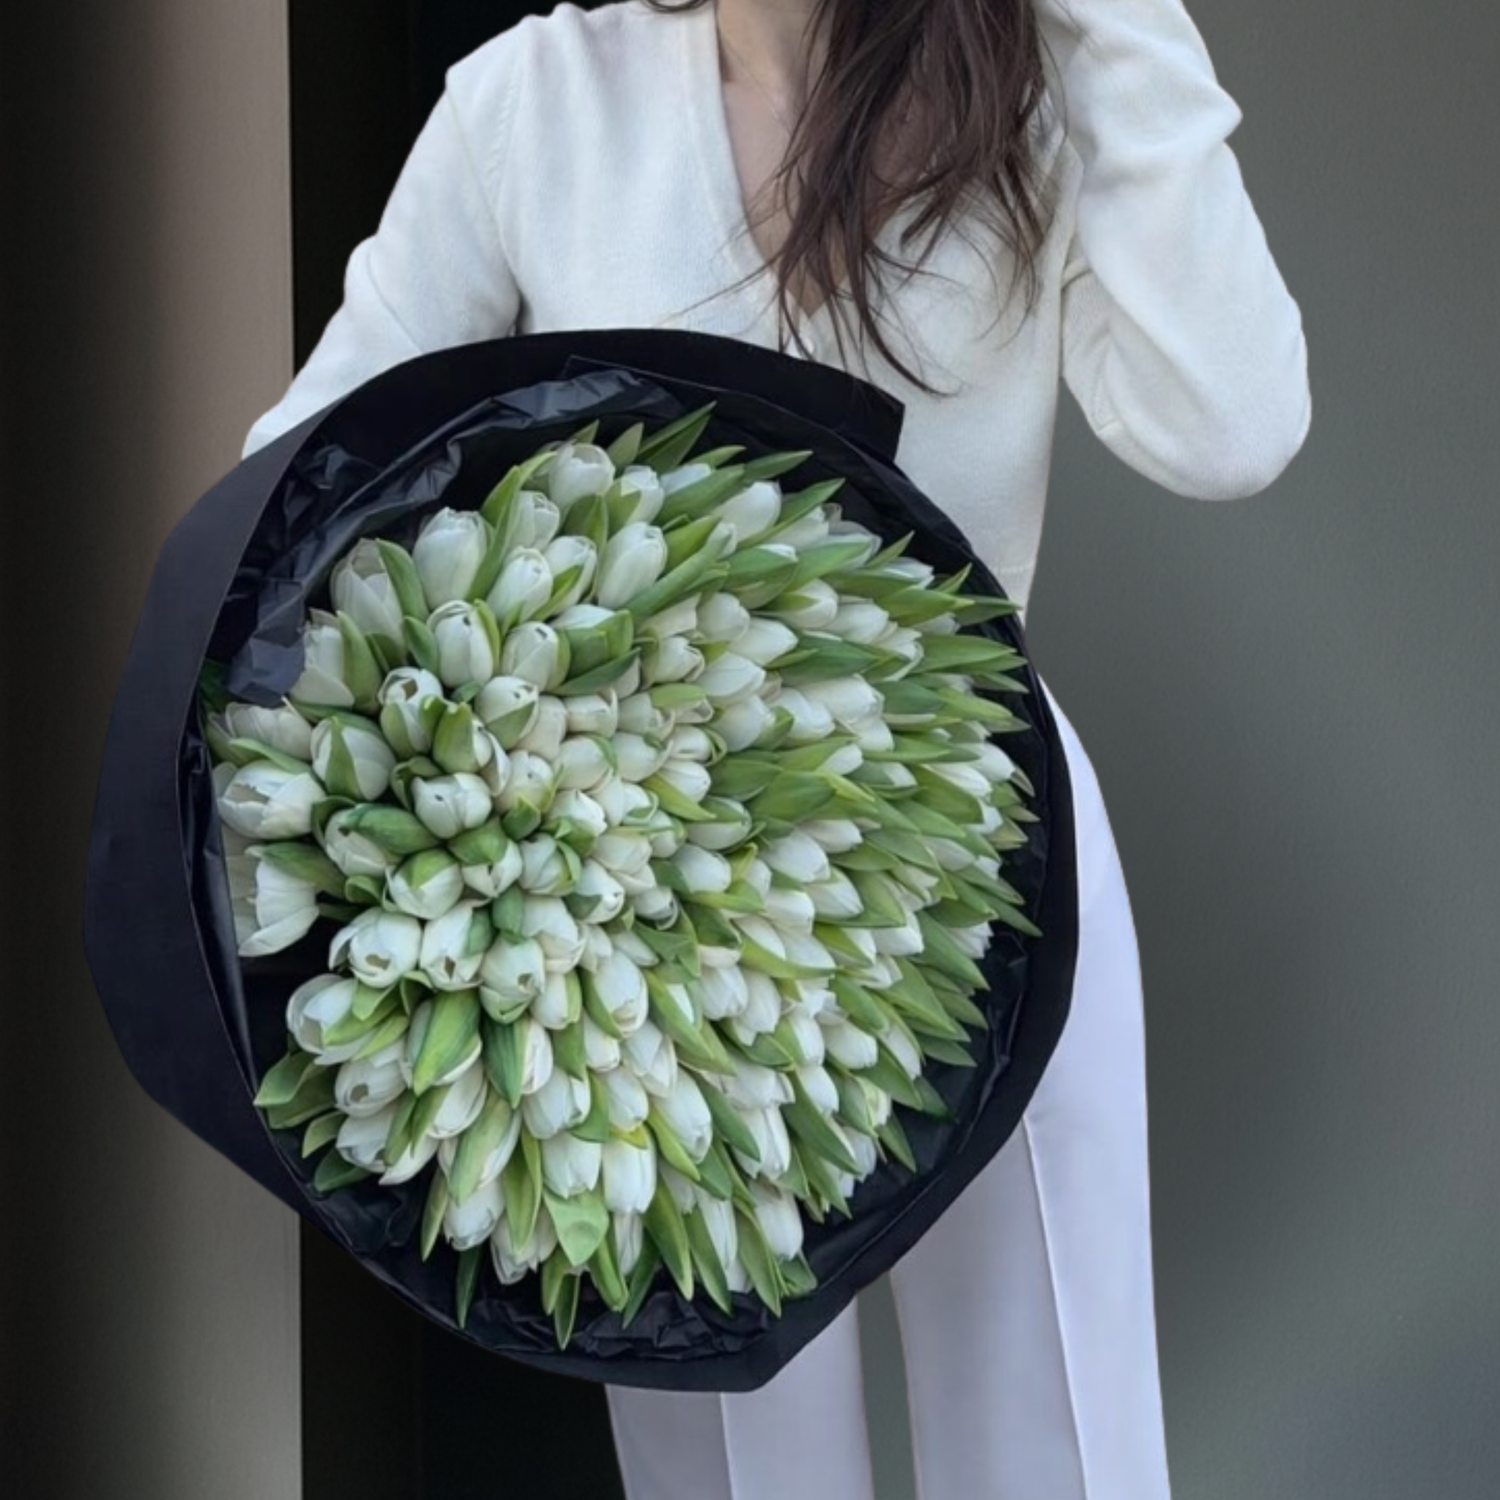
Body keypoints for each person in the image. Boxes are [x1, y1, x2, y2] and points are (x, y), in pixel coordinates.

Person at [241, 1, 1311, 1494]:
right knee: (735, 1467)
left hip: (986, 856)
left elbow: (1233, 425)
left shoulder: (1039, 85)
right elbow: (288, 481)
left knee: (1055, 1442)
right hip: (616, 928)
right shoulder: (536, 101)